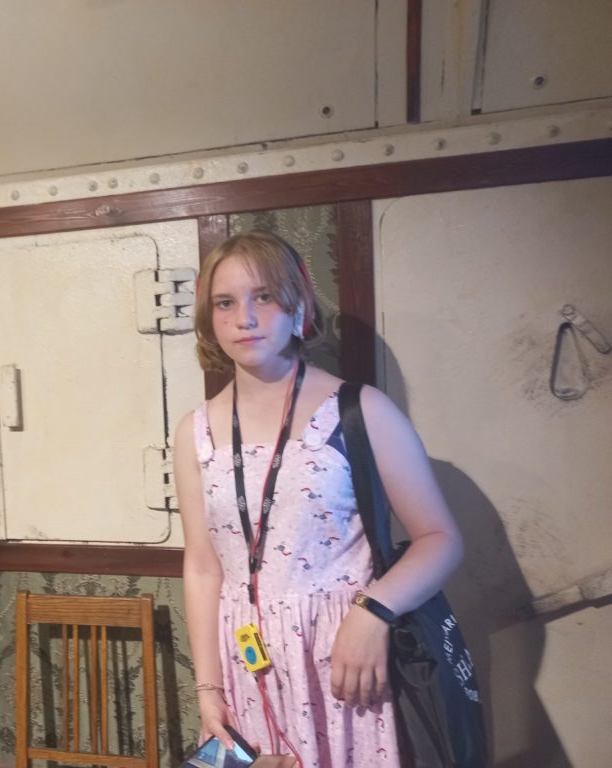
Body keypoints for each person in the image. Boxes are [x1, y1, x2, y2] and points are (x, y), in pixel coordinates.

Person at [174, 231, 463, 767]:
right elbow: (203, 566)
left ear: (298, 304)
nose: (244, 318)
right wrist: (208, 688)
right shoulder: (196, 431)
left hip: (346, 665)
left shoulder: (360, 409)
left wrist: (373, 612)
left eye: (264, 296)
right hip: (245, 670)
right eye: (225, 302)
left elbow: (440, 539)